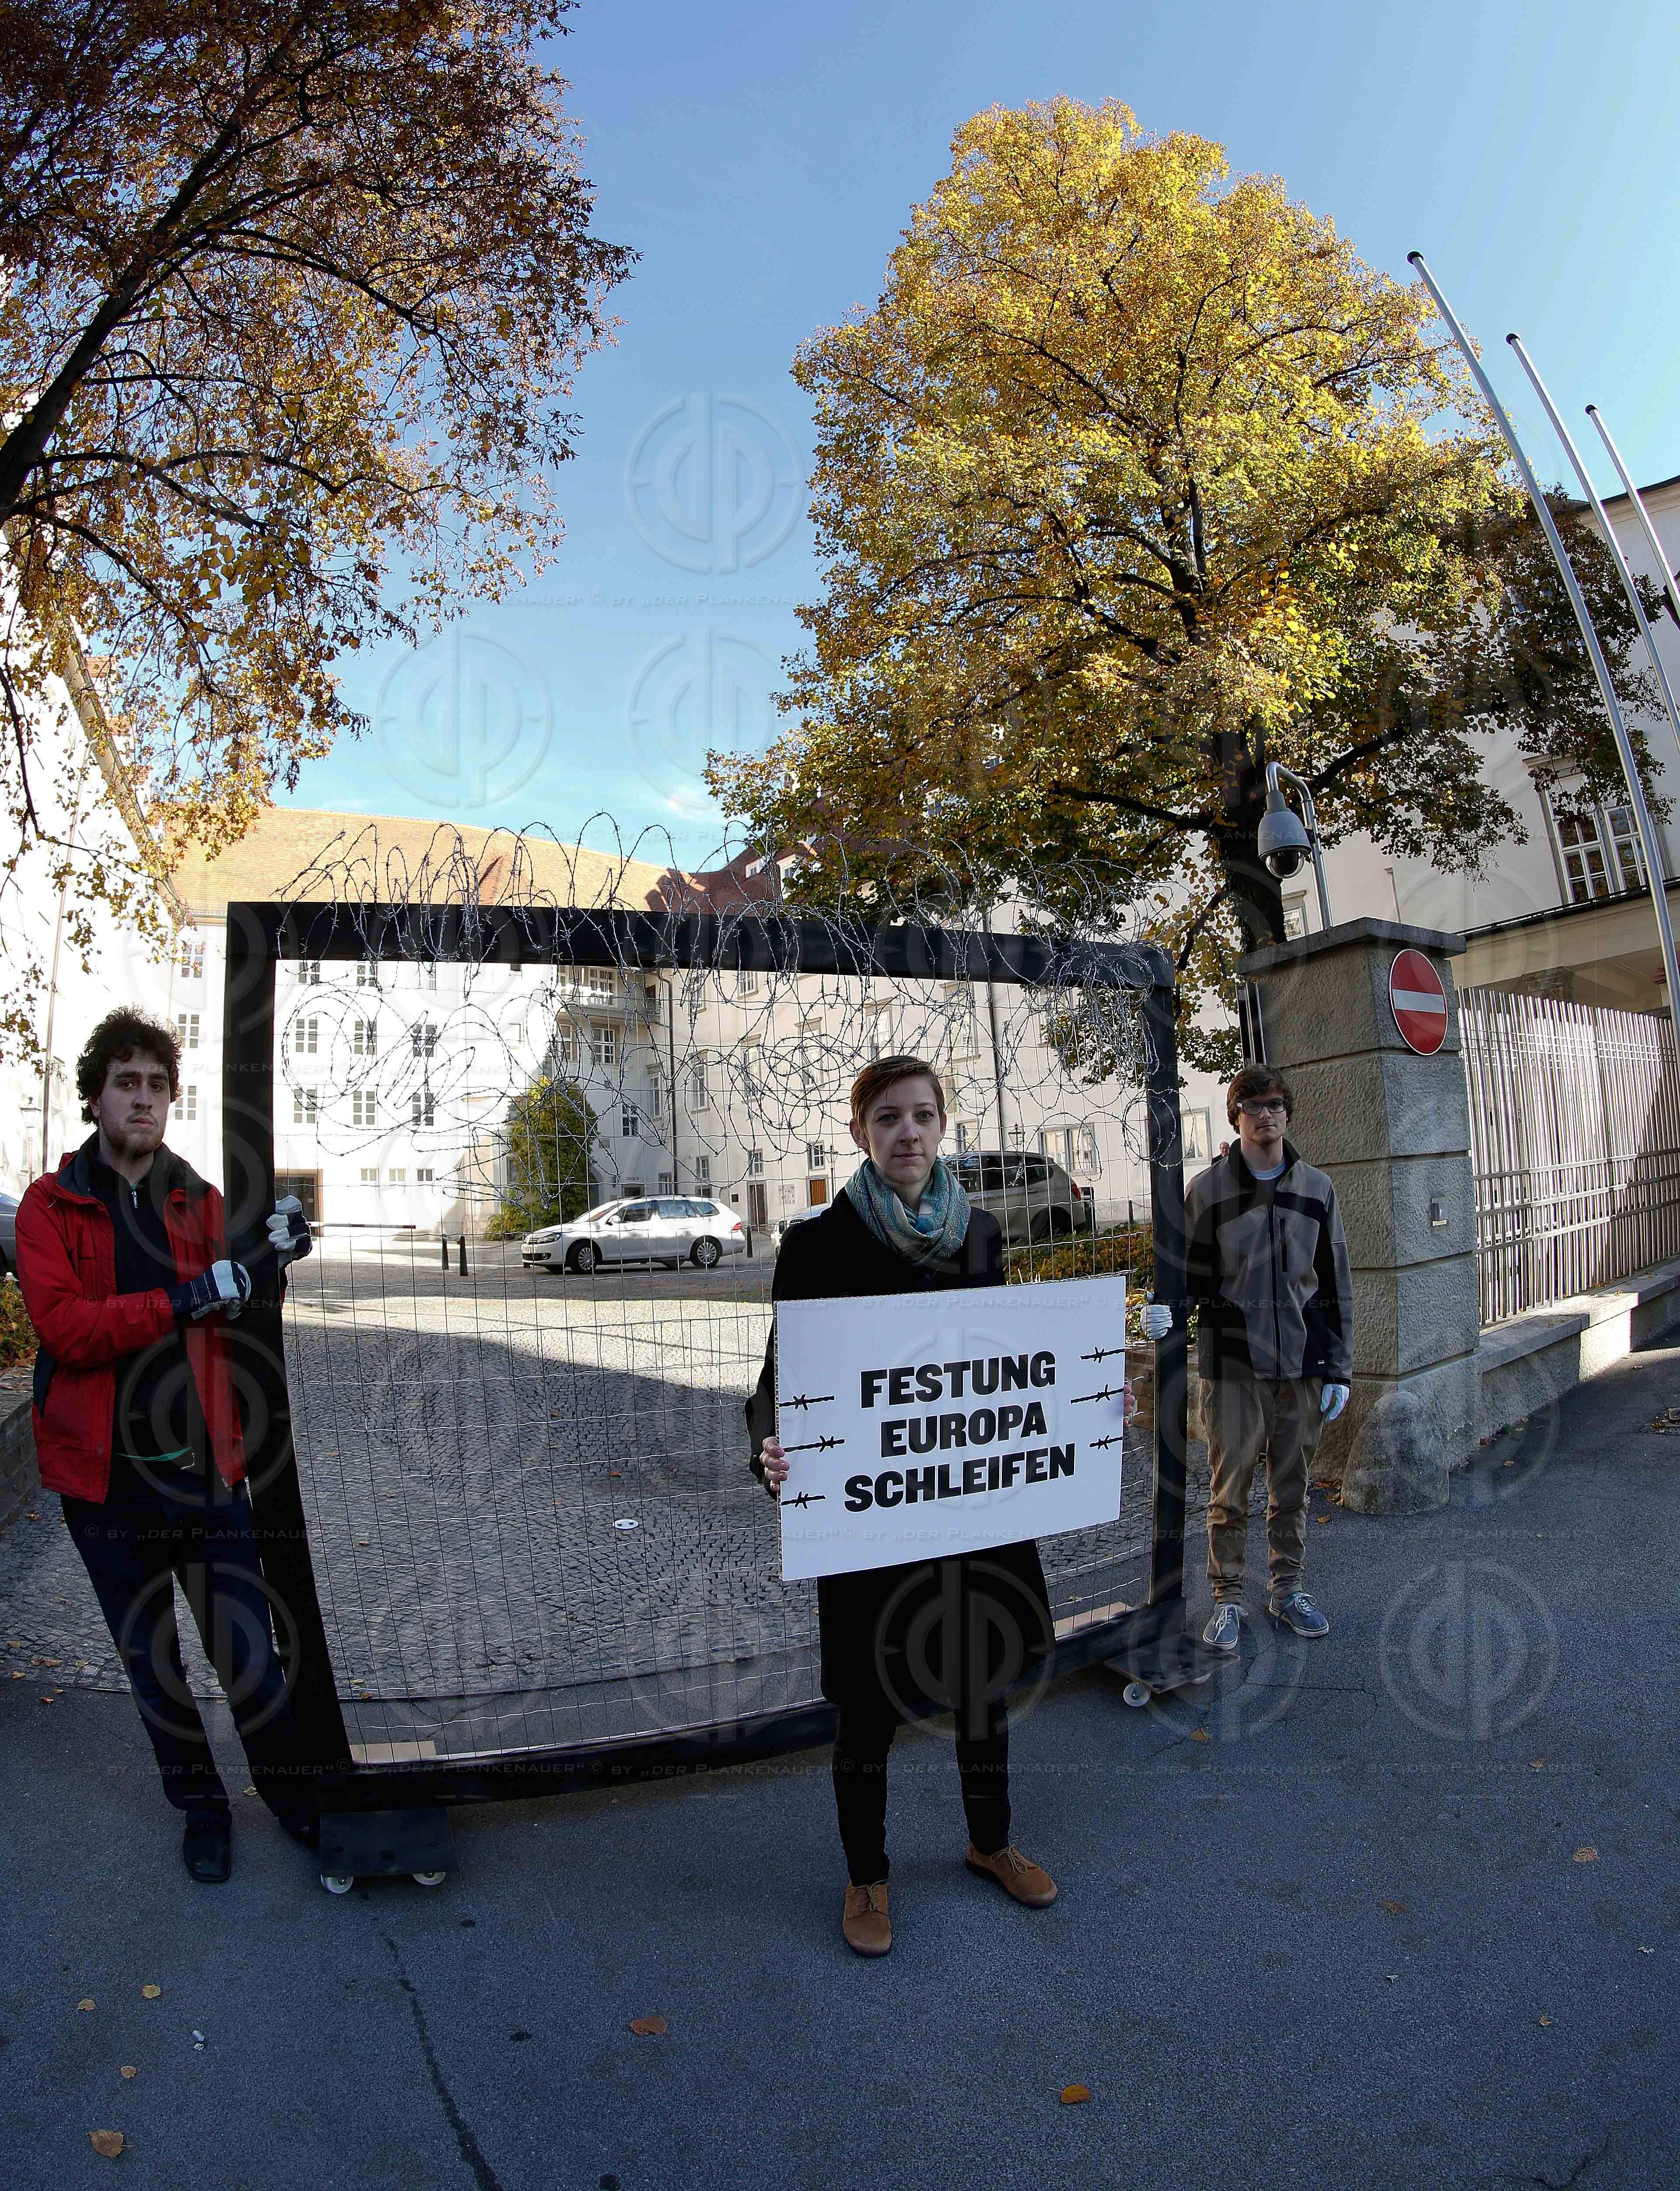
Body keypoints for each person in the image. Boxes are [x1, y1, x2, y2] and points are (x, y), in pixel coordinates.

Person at [749, 1056, 1060, 1957]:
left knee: (982, 1680)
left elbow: (1005, 1363)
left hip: (967, 1503)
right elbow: (780, 1378)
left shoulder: (981, 1235)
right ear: (860, 1133)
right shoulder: (818, 1244)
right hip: (870, 1512)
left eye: (923, 1115)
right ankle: (867, 1874)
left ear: (943, 1125)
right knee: (868, 1702)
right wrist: (769, 1446)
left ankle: (990, 1840)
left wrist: (1075, 1405)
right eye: (888, 1117)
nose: (908, 1132)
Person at [15, 1008, 315, 1883]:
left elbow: (241, 1307)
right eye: (126, 1082)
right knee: (156, 1668)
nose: (143, 1099)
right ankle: (204, 1810)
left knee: (248, 1657)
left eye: (156, 1084)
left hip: (206, 1475)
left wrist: (278, 1261)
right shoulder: (50, 1206)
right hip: (106, 1485)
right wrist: (184, 1298)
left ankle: (293, 1800)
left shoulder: (202, 1201)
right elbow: (68, 1329)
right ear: (95, 1097)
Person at [1139, 1064, 1352, 1649]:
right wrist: (1164, 1309)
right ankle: (1227, 1597)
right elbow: (1187, 1274)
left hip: (1303, 1365)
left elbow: (1336, 1283)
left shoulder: (1318, 1189)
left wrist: (1339, 1367)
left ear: (1288, 1114)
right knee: (1229, 1492)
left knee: (1292, 1489)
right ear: (1235, 1117)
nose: (1266, 1115)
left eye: (1276, 1104)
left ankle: (1287, 1590)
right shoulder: (1207, 1191)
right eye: (1253, 1106)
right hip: (1232, 1365)